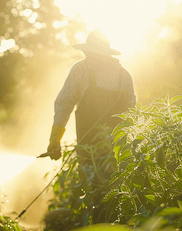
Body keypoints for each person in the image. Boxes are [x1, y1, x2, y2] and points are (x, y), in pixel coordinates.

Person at [42, 29, 136, 160]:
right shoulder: (80, 71)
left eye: (92, 54)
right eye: (87, 53)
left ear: (105, 55)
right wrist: (55, 139)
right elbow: (64, 104)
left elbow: (132, 114)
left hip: (117, 152)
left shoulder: (124, 77)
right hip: (87, 152)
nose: (88, 57)